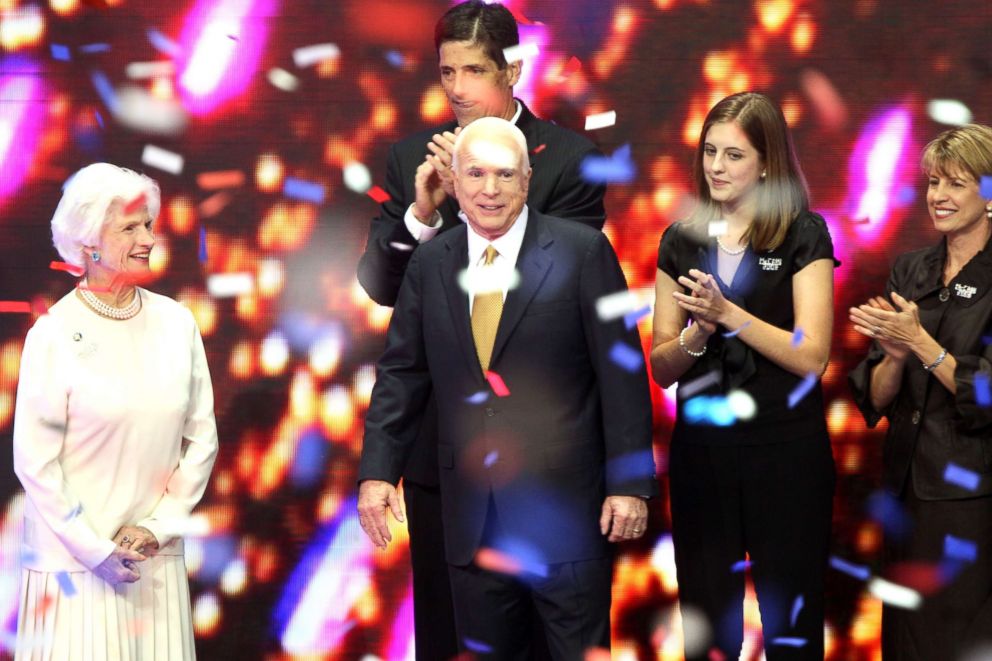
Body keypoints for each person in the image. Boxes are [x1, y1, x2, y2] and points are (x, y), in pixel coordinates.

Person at [355, 2, 607, 657]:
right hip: (448, 452)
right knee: (451, 637)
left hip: (547, 452)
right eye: (447, 72)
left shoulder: (570, 160)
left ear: (513, 70)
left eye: (475, 71)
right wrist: (422, 210)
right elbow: (381, 285)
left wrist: (471, 196)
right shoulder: (413, 157)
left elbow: (548, 284)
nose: (459, 89)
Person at [650, 92, 837, 659]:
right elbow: (660, 367)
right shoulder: (681, 239)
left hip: (786, 454)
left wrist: (729, 314)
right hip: (702, 456)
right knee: (707, 626)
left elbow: (812, 354)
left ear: (766, 163)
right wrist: (696, 335)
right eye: (710, 152)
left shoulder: (804, 234)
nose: (716, 167)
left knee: (791, 624)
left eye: (733, 155)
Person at [13, 163, 218, 660]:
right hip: (73, 574)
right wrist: (95, 549)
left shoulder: (177, 324)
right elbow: (34, 464)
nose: (148, 237)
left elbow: (202, 440)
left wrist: (158, 524)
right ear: (88, 244)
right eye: (130, 227)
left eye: (148, 223)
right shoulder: (53, 334)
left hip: (153, 565)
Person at [848, 124, 992, 660]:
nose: (938, 197)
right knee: (904, 641)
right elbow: (878, 397)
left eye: (955, 184)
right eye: (933, 183)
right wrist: (895, 354)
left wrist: (921, 343)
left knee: (955, 641)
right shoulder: (911, 270)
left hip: (968, 496)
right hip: (904, 491)